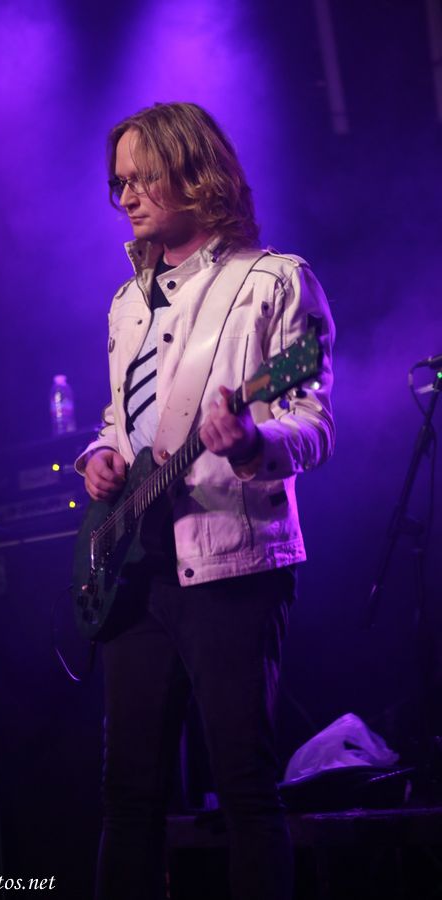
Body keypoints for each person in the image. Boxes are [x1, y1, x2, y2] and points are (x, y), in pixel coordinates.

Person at [75, 102, 335, 900]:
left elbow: (314, 425)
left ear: (194, 173)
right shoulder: (126, 303)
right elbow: (123, 421)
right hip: (137, 573)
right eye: (119, 182)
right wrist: (102, 459)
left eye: (142, 177)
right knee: (128, 798)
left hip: (233, 567)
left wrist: (252, 444)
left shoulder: (273, 281)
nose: (126, 196)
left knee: (245, 788)